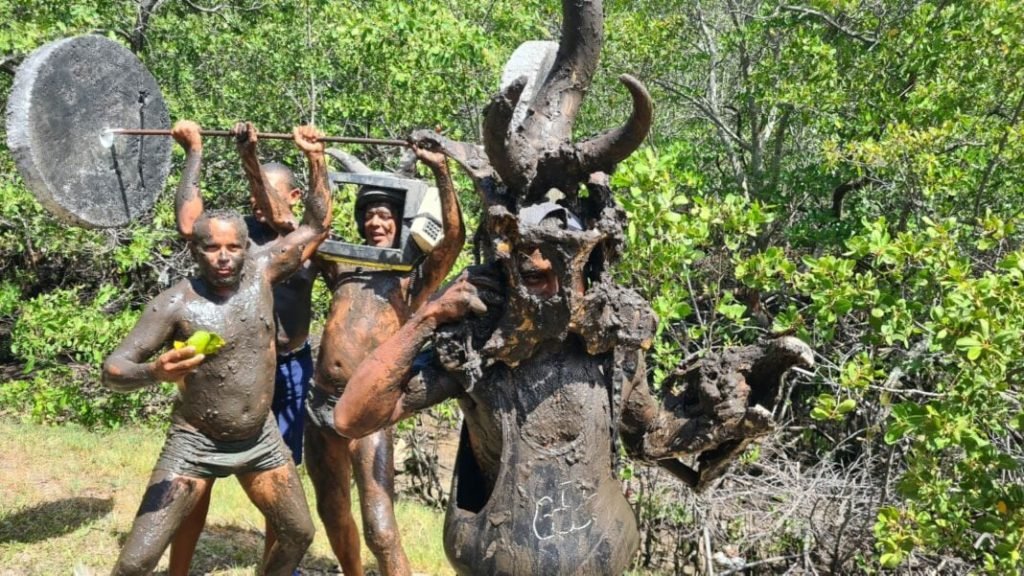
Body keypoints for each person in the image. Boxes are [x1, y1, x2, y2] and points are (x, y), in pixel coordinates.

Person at [332, 202, 814, 575]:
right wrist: (427, 317)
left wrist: (729, 416)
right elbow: (352, 417)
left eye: (555, 249)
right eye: (525, 250)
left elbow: (649, 434)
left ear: (586, 260)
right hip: (493, 560)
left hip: (603, 552)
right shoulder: (477, 347)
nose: (537, 261)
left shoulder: (613, 348)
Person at [101, 120, 332, 576]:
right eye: (211, 248)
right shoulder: (174, 303)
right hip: (194, 444)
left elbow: (317, 223)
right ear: (196, 250)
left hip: (260, 441)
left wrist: (315, 158)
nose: (223, 256)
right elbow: (113, 369)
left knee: (298, 533)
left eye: (232, 247)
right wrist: (155, 372)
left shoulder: (263, 273)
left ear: (247, 248)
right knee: (136, 562)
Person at [296, 133, 464, 576]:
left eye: (385, 215)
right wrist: (316, 162)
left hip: (369, 408)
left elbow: (453, 239)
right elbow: (312, 224)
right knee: (332, 512)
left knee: (381, 528)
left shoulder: (412, 277)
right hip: (320, 406)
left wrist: (441, 173)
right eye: (369, 215)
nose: (376, 223)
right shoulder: (343, 264)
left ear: (401, 222)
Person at [167, 122, 319, 576]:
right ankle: (178, 568)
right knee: (195, 480)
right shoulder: (238, 241)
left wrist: (258, 159)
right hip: (225, 373)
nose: (257, 202)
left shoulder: (301, 240)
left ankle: (279, 569)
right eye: (253, 193)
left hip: (287, 369)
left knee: (282, 482)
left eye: (267, 193)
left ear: (293, 197)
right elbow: (187, 223)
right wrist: (194, 152)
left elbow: (305, 221)